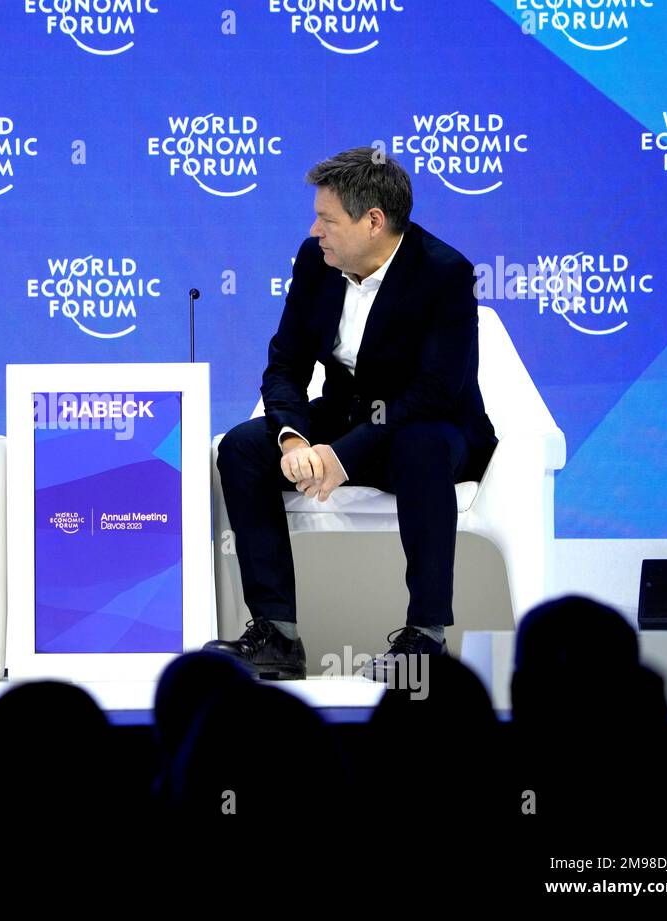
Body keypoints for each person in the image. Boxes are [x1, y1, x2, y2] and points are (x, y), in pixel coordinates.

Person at [207, 147, 497, 680]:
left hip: (429, 427)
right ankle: (276, 634)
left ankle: (425, 639)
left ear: (373, 222)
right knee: (243, 448)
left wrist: (342, 455)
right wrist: (294, 438)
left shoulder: (445, 274)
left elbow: (433, 391)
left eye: (327, 218)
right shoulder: (316, 260)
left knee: (421, 447)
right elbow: (285, 364)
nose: (317, 229)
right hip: (342, 419)